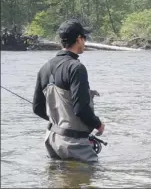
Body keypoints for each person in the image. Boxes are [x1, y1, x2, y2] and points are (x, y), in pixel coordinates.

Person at [33, 19, 105, 163]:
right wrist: (98, 124)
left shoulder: (45, 68)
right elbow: (81, 108)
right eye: (84, 38)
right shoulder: (76, 68)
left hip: (51, 140)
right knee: (89, 178)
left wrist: (60, 124)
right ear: (79, 39)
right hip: (73, 143)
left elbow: (37, 108)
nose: (85, 42)